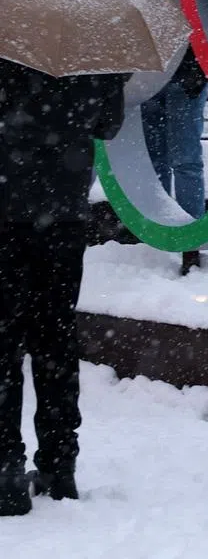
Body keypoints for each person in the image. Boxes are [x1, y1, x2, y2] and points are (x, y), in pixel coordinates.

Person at [0, 58, 127, 514]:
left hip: (5, 210)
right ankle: (59, 466)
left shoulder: (7, 40)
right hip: (63, 216)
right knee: (55, 339)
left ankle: (6, 472)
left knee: (3, 343)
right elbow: (108, 126)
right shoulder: (94, 48)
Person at [72, 0, 208, 230]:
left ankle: (192, 231)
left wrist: (194, 67)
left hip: (181, 78)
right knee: (156, 159)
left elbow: (193, 17)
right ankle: (163, 227)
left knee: (185, 159)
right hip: (144, 80)